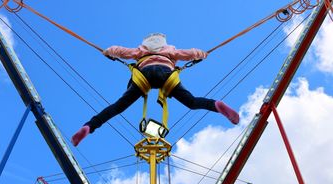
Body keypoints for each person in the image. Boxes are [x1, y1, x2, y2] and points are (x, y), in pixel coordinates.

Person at [71, 33, 239, 146]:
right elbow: (187, 54)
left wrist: (108, 51)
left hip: (143, 76)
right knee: (192, 102)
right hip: (166, 74)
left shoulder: (140, 50)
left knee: (117, 107)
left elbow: (121, 51)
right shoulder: (170, 50)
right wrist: (201, 54)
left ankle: (89, 126)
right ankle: (216, 105)